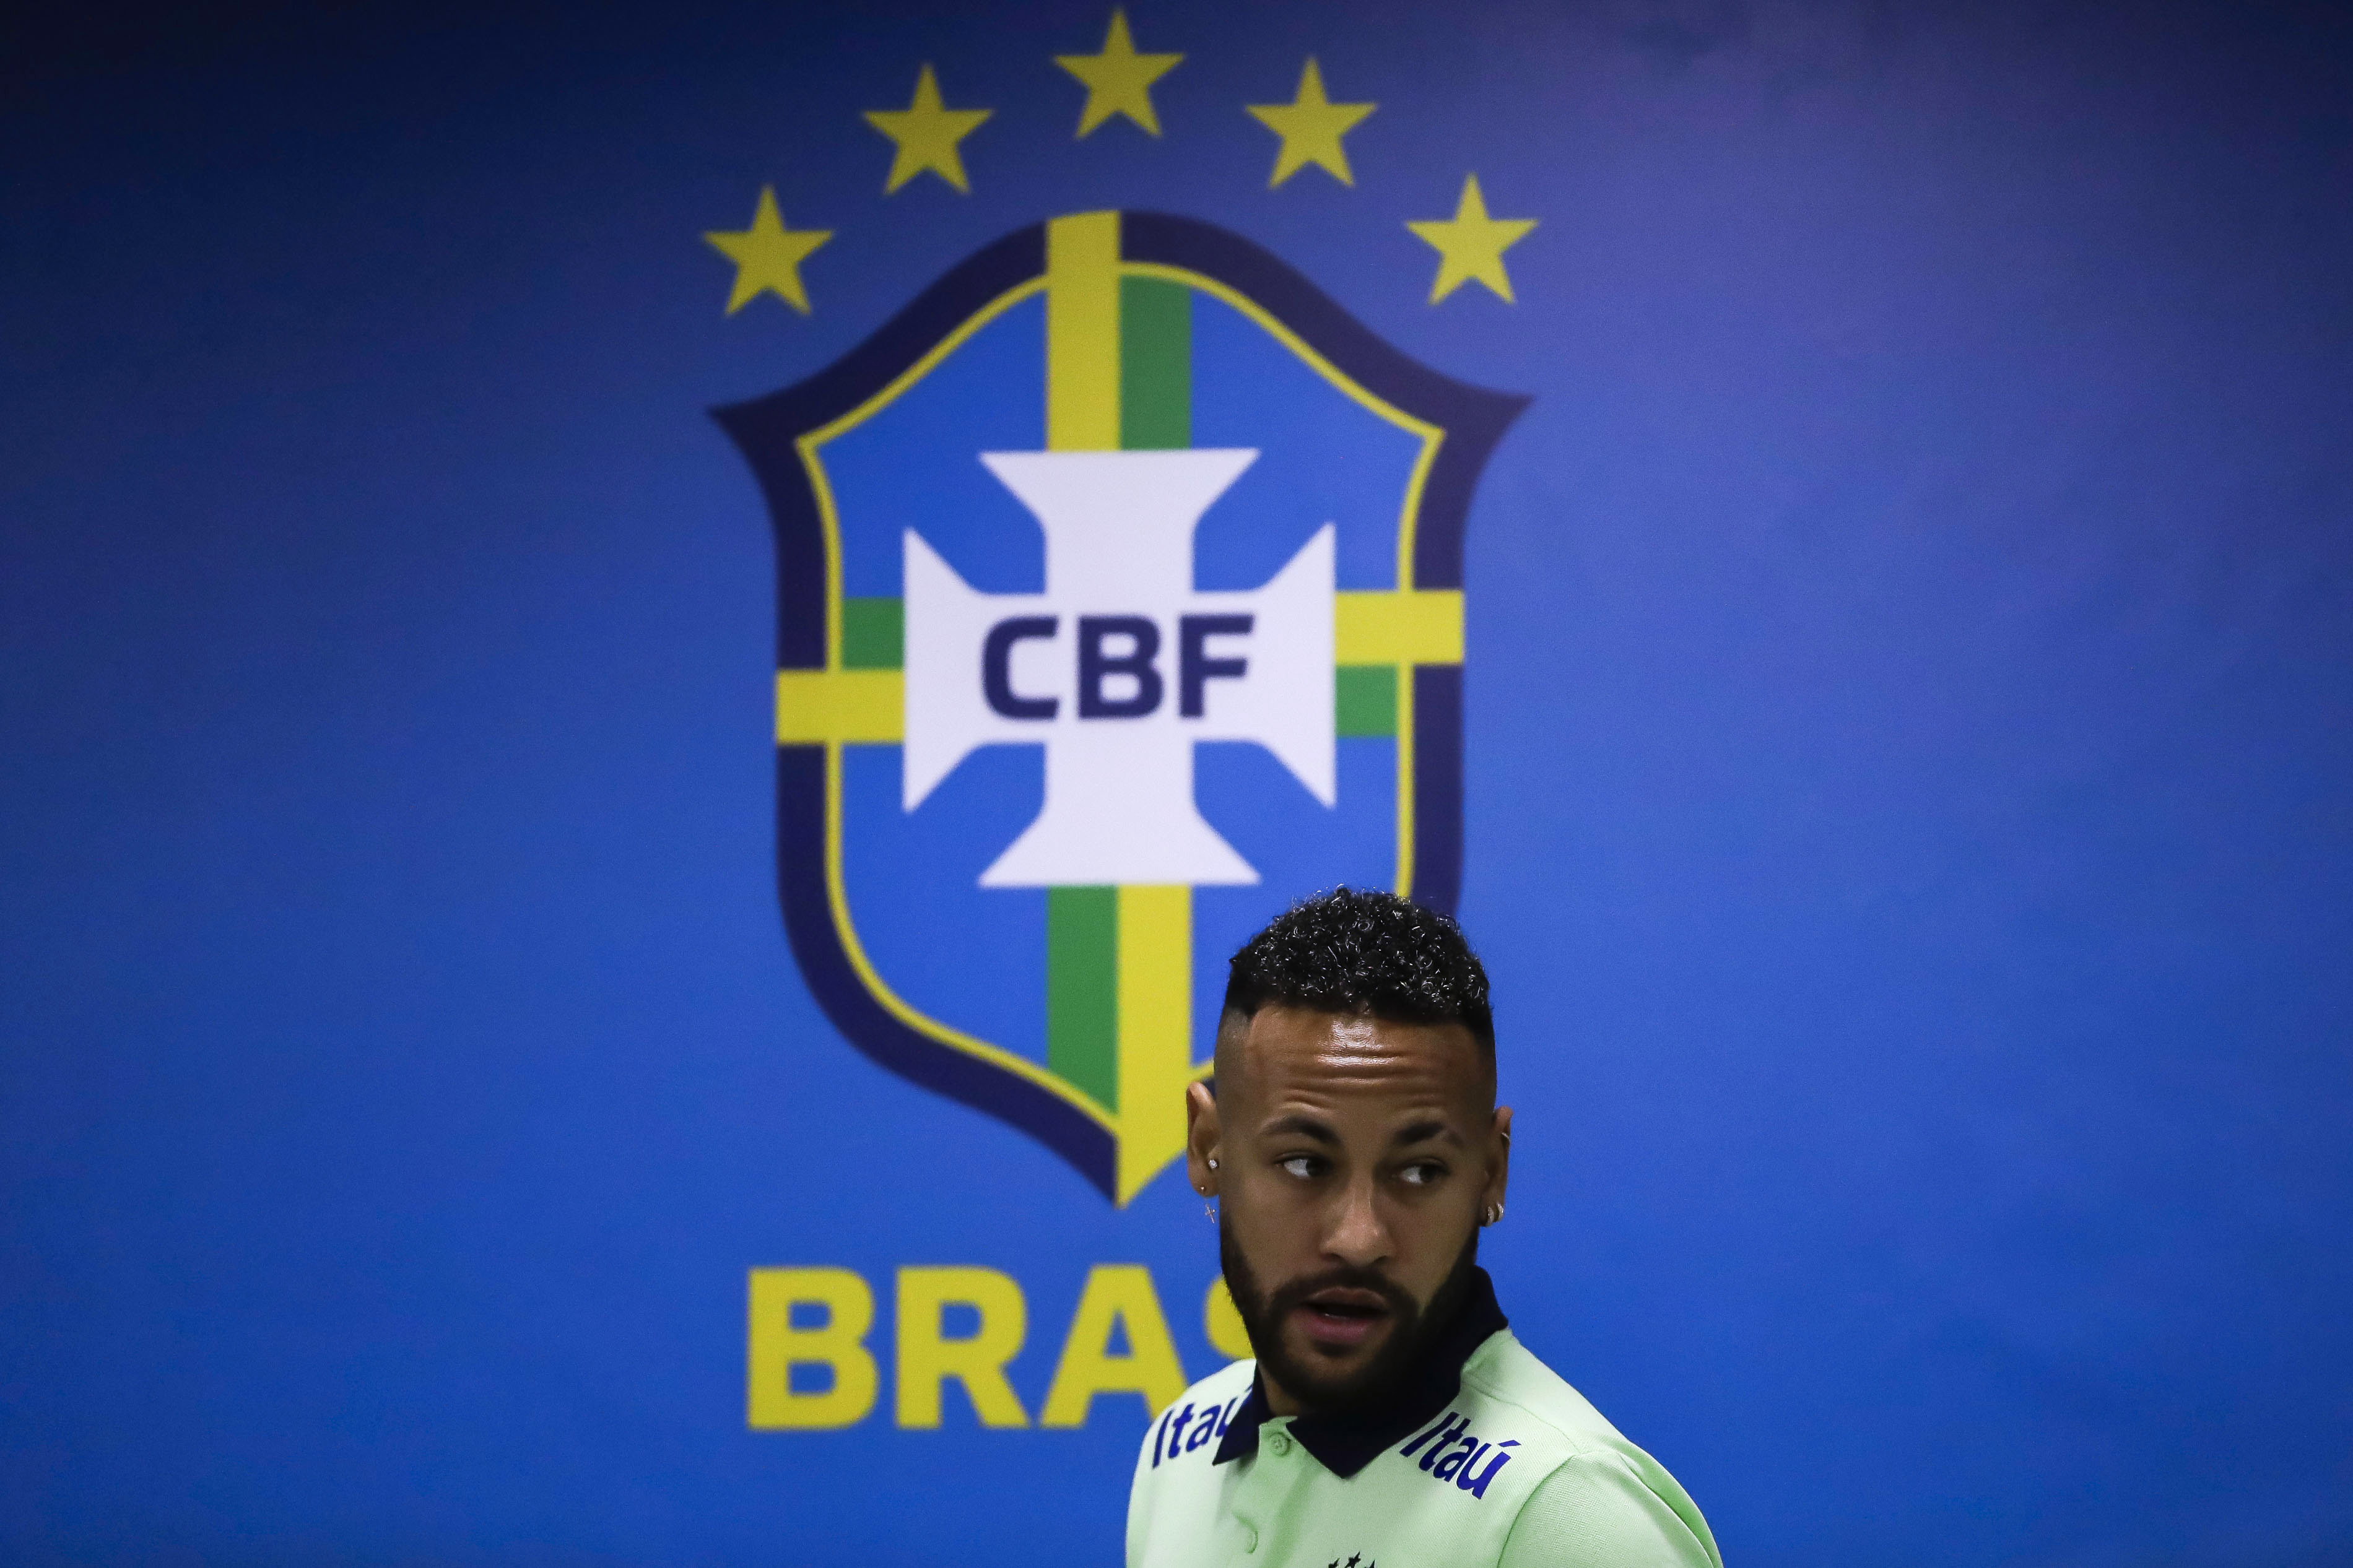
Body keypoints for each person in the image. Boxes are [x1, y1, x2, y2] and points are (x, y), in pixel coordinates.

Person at [1128, 888, 1720, 1568]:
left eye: (1418, 1172)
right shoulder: (1177, 1446)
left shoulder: (1570, 1514)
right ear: (1207, 1145)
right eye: (1303, 1163)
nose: (1357, 1237)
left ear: (1490, 1173)